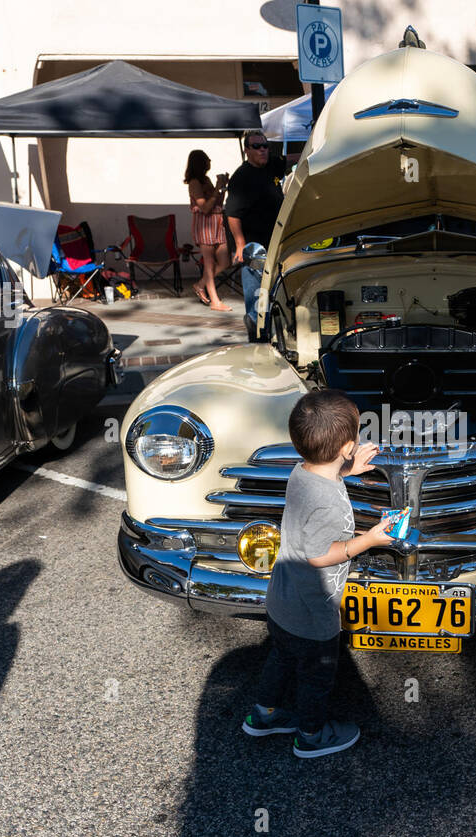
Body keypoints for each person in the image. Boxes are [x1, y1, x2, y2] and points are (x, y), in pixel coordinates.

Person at [244, 390, 395, 758]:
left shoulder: (302, 471)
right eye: (355, 438)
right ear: (347, 446)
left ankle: (263, 715)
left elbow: (321, 481)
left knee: (280, 658)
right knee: (316, 677)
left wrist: (348, 468)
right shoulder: (326, 500)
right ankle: (310, 736)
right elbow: (319, 555)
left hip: (282, 600)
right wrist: (370, 540)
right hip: (313, 611)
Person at [225, 130, 287, 341]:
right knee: (257, 292)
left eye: (265, 146)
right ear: (247, 150)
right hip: (254, 246)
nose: (263, 150)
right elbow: (232, 214)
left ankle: (271, 328)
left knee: (274, 289)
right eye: (257, 146)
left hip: (276, 240)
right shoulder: (241, 177)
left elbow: (292, 159)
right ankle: (256, 329)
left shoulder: (272, 165)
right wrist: (241, 244)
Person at [184, 150, 232, 312]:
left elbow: (217, 202)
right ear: (199, 163)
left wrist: (223, 188)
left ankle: (200, 285)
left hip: (217, 221)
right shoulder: (195, 182)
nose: (210, 161)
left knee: (225, 261)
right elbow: (204, 207)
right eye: (206, 159)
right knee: (209, 263)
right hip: (205, 223)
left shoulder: (206, 180)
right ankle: (215, 301)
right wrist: (217, 187)